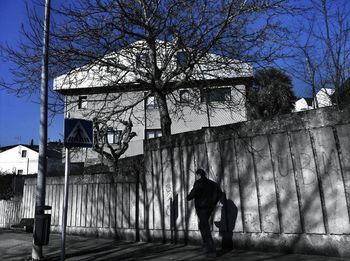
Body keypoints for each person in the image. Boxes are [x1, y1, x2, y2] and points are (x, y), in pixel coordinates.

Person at [187, 168, 223, 257]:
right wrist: (213, 203)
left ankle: (211, 250)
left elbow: (193, 193)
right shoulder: (212, 183)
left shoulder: (198, 182)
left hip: (202, 208)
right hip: (209, 208)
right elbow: (220, 193)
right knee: (202, 225)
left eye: (196, 175)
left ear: (198, 175)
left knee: (205, 227)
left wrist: (188, 197)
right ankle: (206, 246)